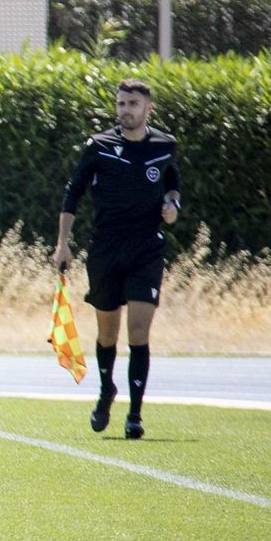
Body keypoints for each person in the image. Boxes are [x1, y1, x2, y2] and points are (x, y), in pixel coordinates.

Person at [52, 78, 181, 439]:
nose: (126, 110)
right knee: (107, 333)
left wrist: (173, 204)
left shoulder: (164, 145)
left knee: (138, 333)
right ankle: (107, 388)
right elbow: (72, 194)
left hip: (146, 250)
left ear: (148, 109)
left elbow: (172, 182)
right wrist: (62, 244)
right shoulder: (99, 146)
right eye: (121, 103)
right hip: (106, 250)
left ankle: (135, 416)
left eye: (133, 104)